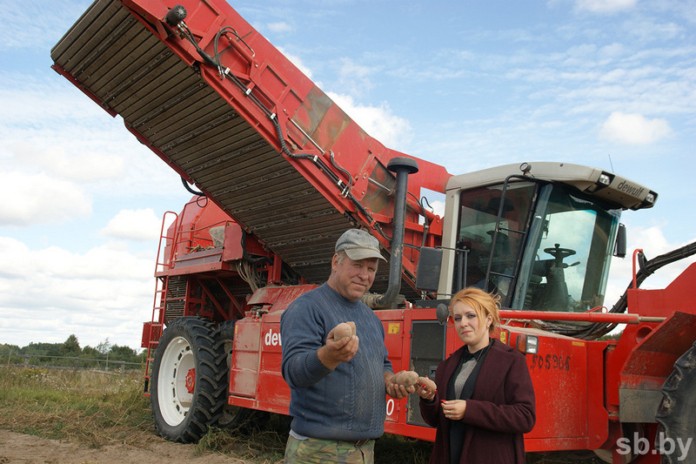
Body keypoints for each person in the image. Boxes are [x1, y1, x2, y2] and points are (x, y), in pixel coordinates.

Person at [281, 228, 411, 464]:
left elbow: (382, 362)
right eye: (357, 265)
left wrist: (391, 381)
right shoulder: (307, 308)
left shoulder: (370, 317)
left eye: (371, 269)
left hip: (363, 452)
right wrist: (329, 356)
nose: (365, 275)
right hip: (318, 452)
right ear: (335, 262)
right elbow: (293, 372)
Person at [416, 287, 536, 464]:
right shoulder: (448, 365)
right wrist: (429, 399)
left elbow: (525, 417)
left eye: (470, 315)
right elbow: (435, 420)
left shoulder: (511, 361)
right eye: (457, 318)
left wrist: (469, 410)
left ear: (488, 319)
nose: (463, 323)